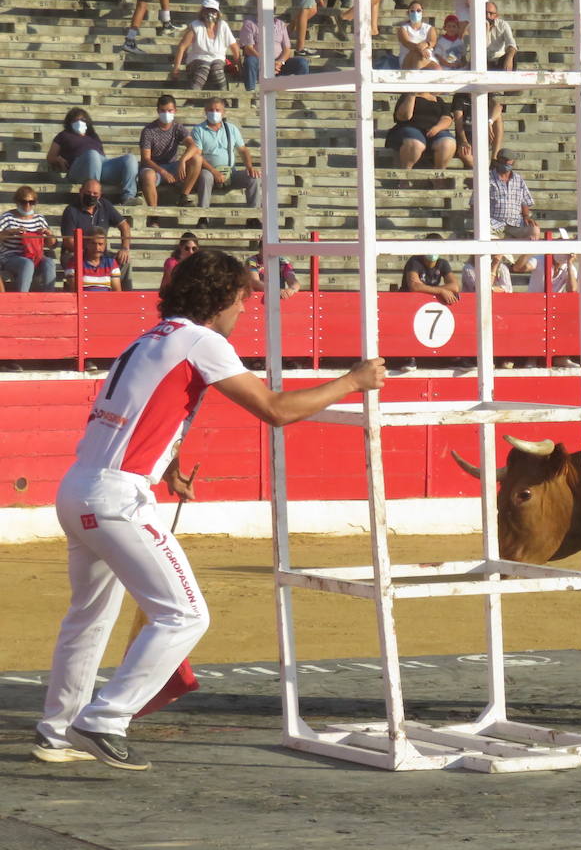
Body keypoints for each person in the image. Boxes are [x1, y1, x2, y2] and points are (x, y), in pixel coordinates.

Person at [34, 249, 385, 770]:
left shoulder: (148, 339)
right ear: (221, 298)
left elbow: (138, 411)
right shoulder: (203, 341)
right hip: (117, 498)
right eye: (243, 298)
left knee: (89, 617)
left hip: (81, 487)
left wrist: (168, 467)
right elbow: (275, 410)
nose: (245, 309)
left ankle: (59, 730)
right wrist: (352, 382)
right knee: (185, 615)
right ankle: (104, 719)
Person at [47, 108, 139, 206]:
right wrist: (58, 159)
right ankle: (94, 196)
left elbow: (102, 155)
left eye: (82, 120)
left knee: (130, 158)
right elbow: (50, 156)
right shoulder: (63, 135)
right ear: (69, 122)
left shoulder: (93, 136)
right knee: (92, 154)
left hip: (100, 164)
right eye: (75, 120)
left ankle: (128, 197)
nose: (79, 122)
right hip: (79, 168)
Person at [191, 98, 260, 219]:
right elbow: (197, 155)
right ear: (205, 111)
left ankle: (253, 217)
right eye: (211, 110)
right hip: (210, 172)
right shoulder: (198, 130)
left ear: (223, 112)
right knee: (205, 176)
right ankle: (203, 217)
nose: (214, 113)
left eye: (218, 110)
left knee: (254, 178)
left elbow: (243, 150)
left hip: (230, 173)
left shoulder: (231, 129)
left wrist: (249, 167)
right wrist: (214, 171)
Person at [138, 96, 208, 211]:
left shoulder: (177, 128)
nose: (166, 114)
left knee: (197, 159)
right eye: (163, 111)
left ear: (175, 111)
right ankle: (153, 213)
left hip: (172, 166)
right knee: (148, 175)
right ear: (158, 111)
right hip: (154, 168)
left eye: (169, 110)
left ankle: (183, 196)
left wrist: (183, 160)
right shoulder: (148, 131)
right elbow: (146, 159)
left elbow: (193, 146)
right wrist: (163, 172)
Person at [61, 181, 132, 275]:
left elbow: (125, 226)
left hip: (101, 253)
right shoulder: (71, 210)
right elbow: (68, 241)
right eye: (88, 192)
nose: (91, 196)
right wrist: (89, 253)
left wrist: (125, 248)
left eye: (95, 193)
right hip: (76, 253)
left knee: (124, 260)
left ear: (100, 195)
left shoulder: (105, 205)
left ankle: (115, 284)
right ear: (81, 191)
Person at [170, 0, 240, 91]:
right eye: (207, 10)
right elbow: (182, 46)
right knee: (204, 67)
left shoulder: (223, 26)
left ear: (218, 13)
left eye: (213, 11)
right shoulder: (196, 26)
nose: (210, 13)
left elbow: (234, 47)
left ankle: (224, 96)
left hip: (218, 60)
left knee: (217, 68)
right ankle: (193, 95)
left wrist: (239, 67)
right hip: (197, 60)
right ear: (202, 12)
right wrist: (176, 68)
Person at [385, 91, 456, 179]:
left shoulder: (439, 100)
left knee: (448, 143)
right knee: (415, 144)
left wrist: (437, 128)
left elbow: (447, 119)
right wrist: (412, 95)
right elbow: (404, 117)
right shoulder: (407, 96)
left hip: (435, 131)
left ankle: (438, 178)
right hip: (410, 128)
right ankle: (405, 179)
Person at [0, 186, 57, 292]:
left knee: (49, 263)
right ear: (17, 202)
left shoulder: (39, 219)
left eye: (31, 202)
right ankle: (22, 297)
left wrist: (49, 234)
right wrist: (11, 232)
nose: (27, 205)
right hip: (11, 257)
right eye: (24, 202)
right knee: (27, 264)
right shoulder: (7, 217)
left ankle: (49, 295)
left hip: (36, 256)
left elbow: (51, 244)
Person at [238, 13, 309, 93]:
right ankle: (251, 92)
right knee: (250, 61)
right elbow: (248, 49)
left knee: (302, 62)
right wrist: (266, 62)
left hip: (278, 65)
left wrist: (280, 62)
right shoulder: (249, 24)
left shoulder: (281, 24)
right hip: (260, 63)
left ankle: (301, 93)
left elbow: (287, 49)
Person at [484, 148, 539, 239]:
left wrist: (526, 216)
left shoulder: (518, 179)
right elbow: (475, 203)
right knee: (484, 232)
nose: (506, 162)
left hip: (516, 222)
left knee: (534, 230)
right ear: (498, 160)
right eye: (503, 159)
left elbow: (525, 201)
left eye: (509, 160)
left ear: (513, 161)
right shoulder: (487, 178)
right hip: (493, 222)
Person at [402, 233, 461, 304]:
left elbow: (455, 287)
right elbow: (414, 286)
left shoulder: (443, 263)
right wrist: (441, 291)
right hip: (408, 301)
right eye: (431, 247)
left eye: (437, 248)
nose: (434, 250)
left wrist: (429, 289)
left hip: (430, 302)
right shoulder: (414, 261)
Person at [450, 92, 505, 168]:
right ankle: (484, 172)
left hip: (483, 132)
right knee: (465, 153)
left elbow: (498, 107)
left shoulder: (486, 94)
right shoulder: (460, 96)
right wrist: (464, 141)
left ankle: (494, 159)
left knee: (498, 117)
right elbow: (458, 122)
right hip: (467, 133)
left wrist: (489, 122)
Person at [64, 227, 121, 292]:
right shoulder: (74, 263)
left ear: (105, 245)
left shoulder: (111, 263)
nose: (97, 248)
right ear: (86, 244)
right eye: (93, 243)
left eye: (100, 244)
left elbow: (117, 291)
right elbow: (74, 290)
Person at [474, 0, 518, 71]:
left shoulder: (502, 25)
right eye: (485, 13)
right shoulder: (476, 25)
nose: (487, 16)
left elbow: (512, 44)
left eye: (491, 13)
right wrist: (485, 29)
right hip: (483, 60)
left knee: (512, 56)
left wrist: (509, 58)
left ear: (496, 15)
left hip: (499, 60)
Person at [396, 0, 439, 70]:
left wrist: (426, 44)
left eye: (418, 10)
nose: (415, 13)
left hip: (427, 56)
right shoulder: (403, 29)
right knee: (417, 57)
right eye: (412, 11)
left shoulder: (429, 28)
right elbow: (407, 43)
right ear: (408, 13)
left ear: (422, 12)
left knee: (437, 68)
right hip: (408, 57)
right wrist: (420, 49)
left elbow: (433, 41)